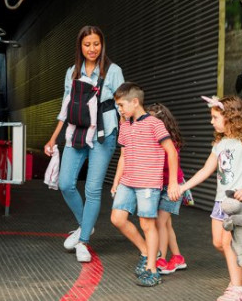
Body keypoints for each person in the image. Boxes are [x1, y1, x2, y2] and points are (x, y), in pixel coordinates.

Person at [43, 25, 124, 263]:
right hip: (76, 131)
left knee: (92, 189)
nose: (92, 49)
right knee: (66, 183)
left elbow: (124, 105)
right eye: (87, 44)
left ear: (102, 44)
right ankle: (84, 225)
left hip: (104, 132)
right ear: (80, 46)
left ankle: (84, 241)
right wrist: (53, 137)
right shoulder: (72, 72)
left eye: (96, 44)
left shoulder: (113, 70)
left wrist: (128, 136)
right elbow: (66, 107)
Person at [179, 96, 242, 301]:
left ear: (230, 117)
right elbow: (206, 170)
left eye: (215, 117)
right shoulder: (220, 144)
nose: (212, 121)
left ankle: (238, 291)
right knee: (219, 243)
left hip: (241, 203)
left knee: (230, 243)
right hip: (221, 201)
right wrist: (184, 186)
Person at [109, 83, 179, 287]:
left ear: (135, 102)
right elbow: (123, 155)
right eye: (118, 106)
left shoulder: (154, 124)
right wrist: (116, 181)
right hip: (127, 181)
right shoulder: (124, 124)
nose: (119, 110)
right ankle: (147, 251)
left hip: (148, 183)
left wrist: (173, 182)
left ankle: (152, 269)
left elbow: (171, 152)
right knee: (117, 218)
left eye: (121, 105)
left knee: (147, 224)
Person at [146, 103, 188, 275]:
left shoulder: (169, 141)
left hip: (172, 186)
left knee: (160, 223)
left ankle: (161, 259)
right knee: (166, 224)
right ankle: (177, 257)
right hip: (159, 185)